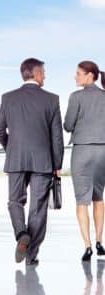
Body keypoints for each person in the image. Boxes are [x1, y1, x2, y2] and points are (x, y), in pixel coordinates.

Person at [0, 58, 64, 266]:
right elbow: (57, 137)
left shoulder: (8, 98)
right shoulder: (52, 99)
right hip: (43, 162)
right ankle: (31, 256)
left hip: (16, 159)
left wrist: (11, 148)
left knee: (15, 201)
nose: (45, 76)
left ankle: (21, 234)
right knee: (38, 208)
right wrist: (57, 164)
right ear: (36, 73)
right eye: (44, 72)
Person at [63, 61, 105, 261]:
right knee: (99, 197)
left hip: (82, 150)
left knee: (82, 201)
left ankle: (87, 245)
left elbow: (68, 125)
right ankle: (99, 241)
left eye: (78, 73)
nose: (75, 77)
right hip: (103, 151)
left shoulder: (76, 97)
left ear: (90, 75)